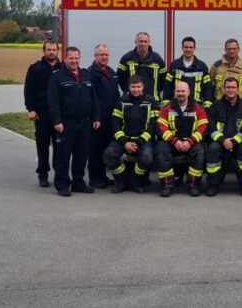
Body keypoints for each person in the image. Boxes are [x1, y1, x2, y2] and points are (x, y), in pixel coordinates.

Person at [47, 46, 100, 196]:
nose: (74, 61)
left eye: (77, 58)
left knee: (81, 154)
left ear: (80, 58)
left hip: (85, 122)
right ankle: (62, 184)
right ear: (65, 59)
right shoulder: (57, 77)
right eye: (71, 58)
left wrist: (96, 117)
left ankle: (78, 182)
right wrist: (57, 121)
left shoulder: (86, 75)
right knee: (63, 155)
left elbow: (93, 98)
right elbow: (53, 102)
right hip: (66, 122)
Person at [103, 76, 169, 196]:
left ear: (143, 87)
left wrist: (139, 141)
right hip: (124, 138)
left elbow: (153, 125)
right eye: (133, 87)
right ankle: (122, 181)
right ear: (128, 87)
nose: (136, 89)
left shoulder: (151, 101)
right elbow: (115, 123)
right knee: (109, 155)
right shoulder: (121, 101)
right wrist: (124, 142)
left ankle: (136, 181)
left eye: (138, 87)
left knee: (147, 157)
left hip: (143, 139)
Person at [155, 81, 208, 197]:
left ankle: (193, 185)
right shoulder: (167, 108)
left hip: (191, 141)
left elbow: (203, 127)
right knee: (161, 150)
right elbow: (161, 127)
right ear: (174, 93)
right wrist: (175, 141)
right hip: (172, 142)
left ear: (189, 92)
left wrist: (190, 142)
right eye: (178, 91)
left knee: (199, 152)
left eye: (183, 91)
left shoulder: (198, 108)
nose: (180, 93)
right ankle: (167, 184)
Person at [205, 77, 242, 197]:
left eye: (233, 87)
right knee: (213, 149)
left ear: (238, 90)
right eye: (228, 87)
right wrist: (223, 140)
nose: (230, 90)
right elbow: (210, 127)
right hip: (221, 142)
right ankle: (213, 185)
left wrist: (235, 141)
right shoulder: (215, 106)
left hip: (240, 141)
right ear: (223, 89)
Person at [24, 40, 62, 187]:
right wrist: (31, 109)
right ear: (44, 51)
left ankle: (59, 172)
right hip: (42, 112)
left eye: (54, 49)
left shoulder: (63, 68)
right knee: (42, 144)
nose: (51, 52)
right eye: (48, 49)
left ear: (57, 51)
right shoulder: (35, 68)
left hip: (59, 113)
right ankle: (43, 174)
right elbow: (29, 90)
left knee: (60, 145)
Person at [86, 44, 119, 189]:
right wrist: (95, 117)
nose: (104, 57)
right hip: (98, 119)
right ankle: (94, 178)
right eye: (101, 55)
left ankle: (103, 177)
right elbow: (90, 99)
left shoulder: (110, 71)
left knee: (105, 148)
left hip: (110, 118)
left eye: (106, 54)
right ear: (95, 56)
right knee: (95, 149)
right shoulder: (90, 73)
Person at [163, 36, 214, 109]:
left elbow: (207, 89)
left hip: (196, 106)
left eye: (190, 47)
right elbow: (167, 86)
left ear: (194, 48)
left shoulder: (202, 67)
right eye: (186, 47)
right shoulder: (174, 66)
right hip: (176, 105)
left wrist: (207, 107)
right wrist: (166, 105)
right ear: (182, 48)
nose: (188, 49)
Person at [117, 31, 166, 101]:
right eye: (141, 41)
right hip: (131, 102)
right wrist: (129, 91)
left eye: (145, 41)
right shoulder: (126, 59)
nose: (143, 44)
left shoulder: (157, 59)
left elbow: (163, 80)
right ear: (135, 42)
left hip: (152, 102)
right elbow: (121, 79)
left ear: (149, 42)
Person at [210, 38, 242, 103]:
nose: (231, 51)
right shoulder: (216, 66)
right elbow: (210, 86)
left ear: (238, 49)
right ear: (225, 50)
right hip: (220, 105)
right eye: (229, 49)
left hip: (241, 105)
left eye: (234, 48)